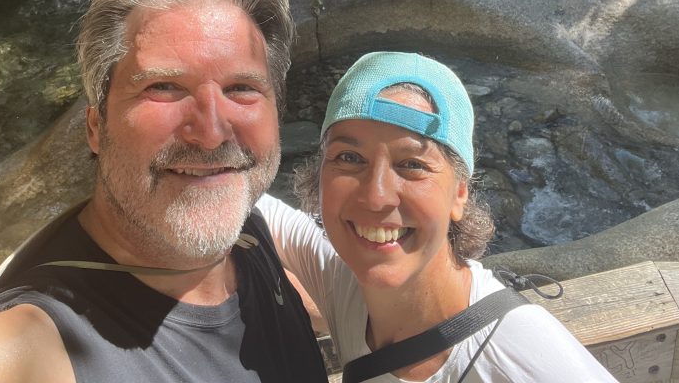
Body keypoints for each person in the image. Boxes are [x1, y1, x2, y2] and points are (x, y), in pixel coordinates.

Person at [0, 0, 329, 383]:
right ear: (96, 127)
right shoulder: (32, 342)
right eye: (164, 87)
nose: (211, 132)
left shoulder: (248, 232)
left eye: (241, 88)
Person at [259, 51, 618, 382]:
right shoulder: (344, 285)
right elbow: (253, 202)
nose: (376, 196)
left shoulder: (519, 354)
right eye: (349, 158)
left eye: (412, 164)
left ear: (460, 193)